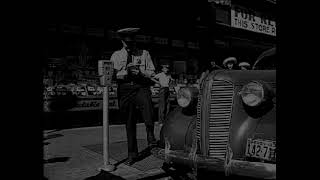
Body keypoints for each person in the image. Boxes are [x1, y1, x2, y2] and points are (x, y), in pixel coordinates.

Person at [110, 27, 157, 165]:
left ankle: (150, 133)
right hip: (125, 88)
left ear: (135, 41)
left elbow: (152, 73)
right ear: (122, 42)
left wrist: (140, 72)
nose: (130, 46)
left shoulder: (144, 54)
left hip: (141, 86)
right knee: (129, 122)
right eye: (127, 43)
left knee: (148, 110)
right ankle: (132, 153)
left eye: (132, 43)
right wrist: (125, 72)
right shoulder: (116, 55)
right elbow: (112, 75)